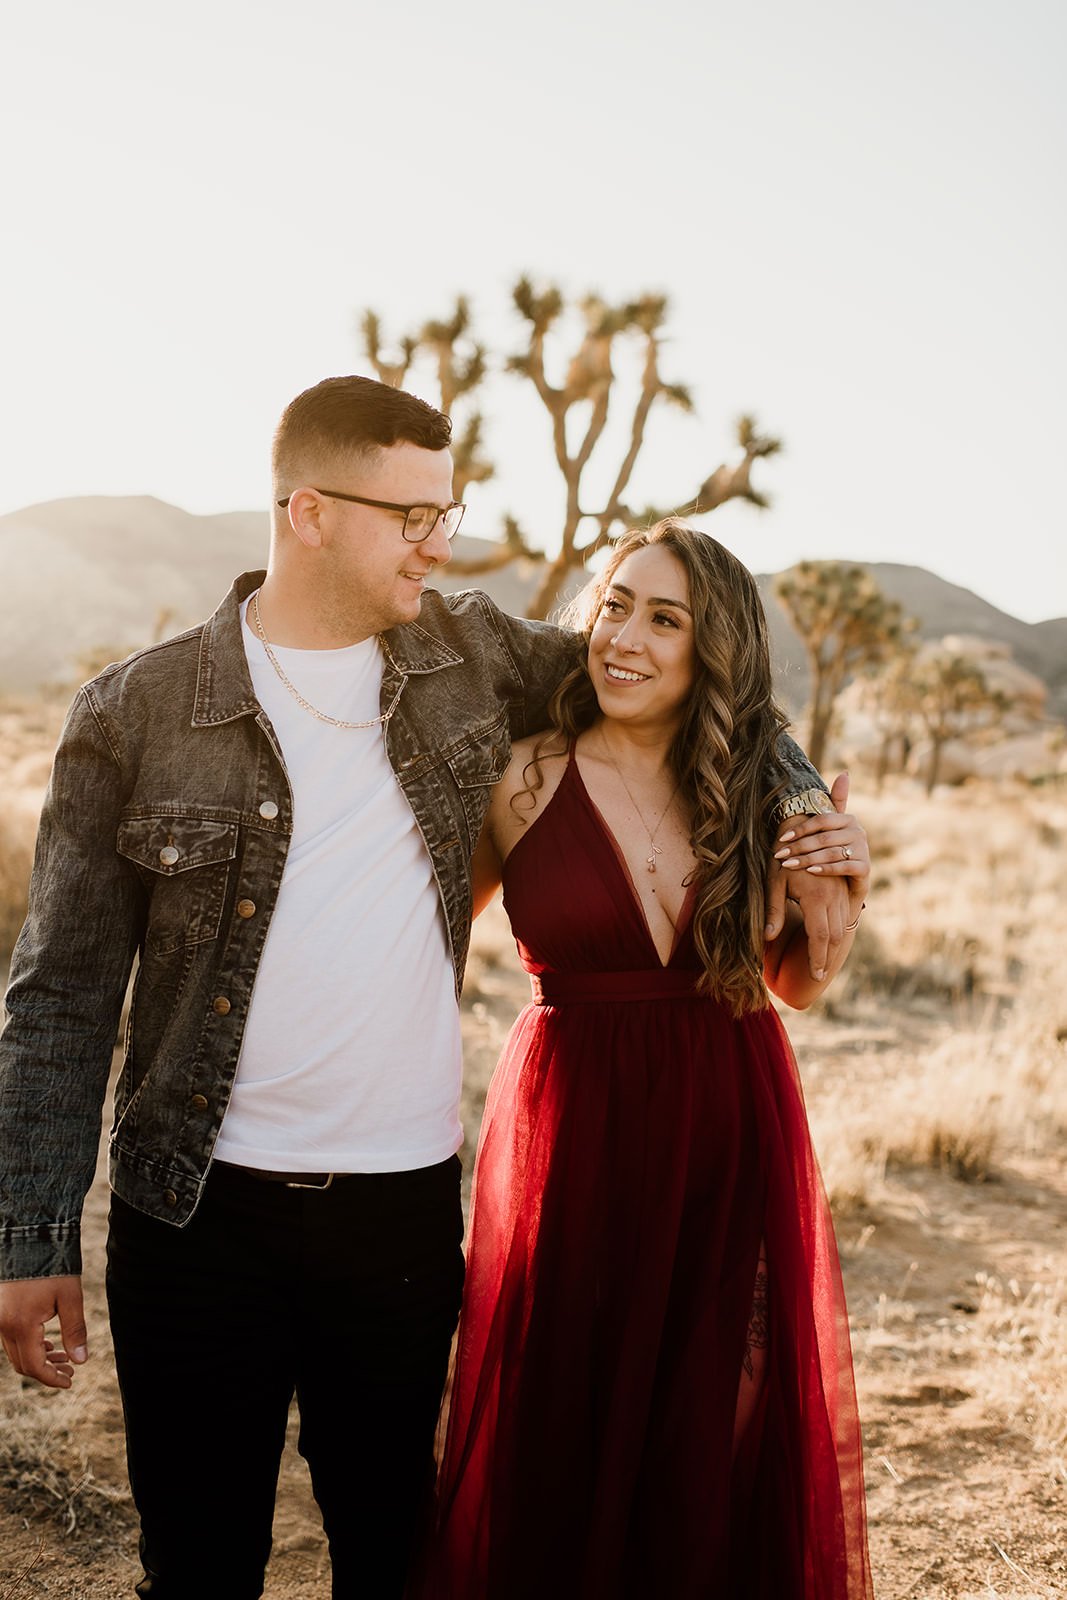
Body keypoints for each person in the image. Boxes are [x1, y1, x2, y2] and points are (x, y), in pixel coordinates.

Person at [0, 377, 846, 1600]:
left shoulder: (470, 655)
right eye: (411, 518)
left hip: (397, 1213)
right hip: (194, 1217)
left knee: (391, 1553)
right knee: (198, 1561)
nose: (439, 543)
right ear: (308, 513)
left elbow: (701, 676)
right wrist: (31, 1236)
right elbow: (62, 996)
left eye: (446, 513)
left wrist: (809, 802)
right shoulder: (135, 713)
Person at [418, 521, 874, 1598]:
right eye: (614, 604)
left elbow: (795, 984)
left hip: (726, 1114)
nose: (625, 636)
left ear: (708, 648)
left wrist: (839, 889)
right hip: (571, 1124)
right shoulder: (520, 778)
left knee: (721, 1406)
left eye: (663, 618)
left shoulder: (756, 789)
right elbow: (426, 939)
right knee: (566, 1399)